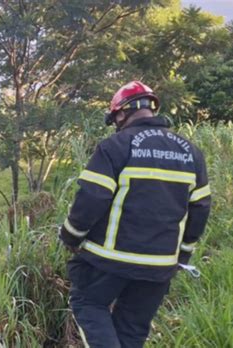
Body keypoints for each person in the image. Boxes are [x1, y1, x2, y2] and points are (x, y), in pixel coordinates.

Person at [59, 81, 211, 348]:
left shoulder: (115, 146)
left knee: (88, 303)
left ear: (121, 113)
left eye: (115, 117)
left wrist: (70, 237)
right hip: (160, 266)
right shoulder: (191, 153)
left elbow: (92, 196)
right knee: (131, 329)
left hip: (109, 261)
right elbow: (200, 208)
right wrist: (183, 254)